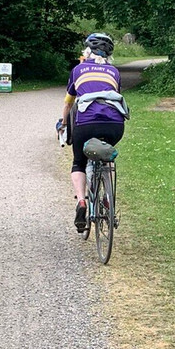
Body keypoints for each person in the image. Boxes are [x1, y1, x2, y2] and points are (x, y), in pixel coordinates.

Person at [59, 33, 127, 232]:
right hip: (114, 124)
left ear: (86, 51)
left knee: (79, 162)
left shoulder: (78, 70)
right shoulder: (114, 71)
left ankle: (81, 202)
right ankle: (106, 199)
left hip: (86, 123)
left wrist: (63, 122)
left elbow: (68, 103)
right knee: (104, 152)